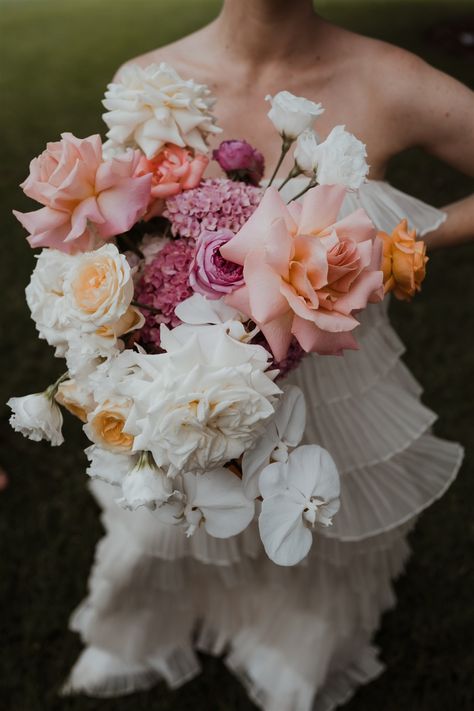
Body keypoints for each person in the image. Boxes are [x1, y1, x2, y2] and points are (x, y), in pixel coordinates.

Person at [64, 1, 473, 709]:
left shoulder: (388, 80)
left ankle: (295, 655)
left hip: (330, 385)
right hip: (182, 386)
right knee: (161, 526)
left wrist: (396, 246)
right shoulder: (148, 82)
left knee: (316, 532)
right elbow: (115, 237)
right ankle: (140, 630)